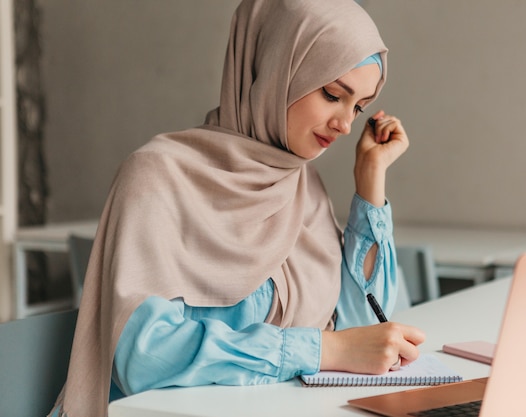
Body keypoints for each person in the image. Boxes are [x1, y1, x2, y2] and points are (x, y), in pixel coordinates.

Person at [50, 1, 425, 416]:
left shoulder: (302, 186)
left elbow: (364, 333)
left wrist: (370, 180)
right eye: (332, 94)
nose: (345, 123)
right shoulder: (157, 176)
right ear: (275, 69)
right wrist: (321, 349)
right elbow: (143, 356)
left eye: (357, 107)